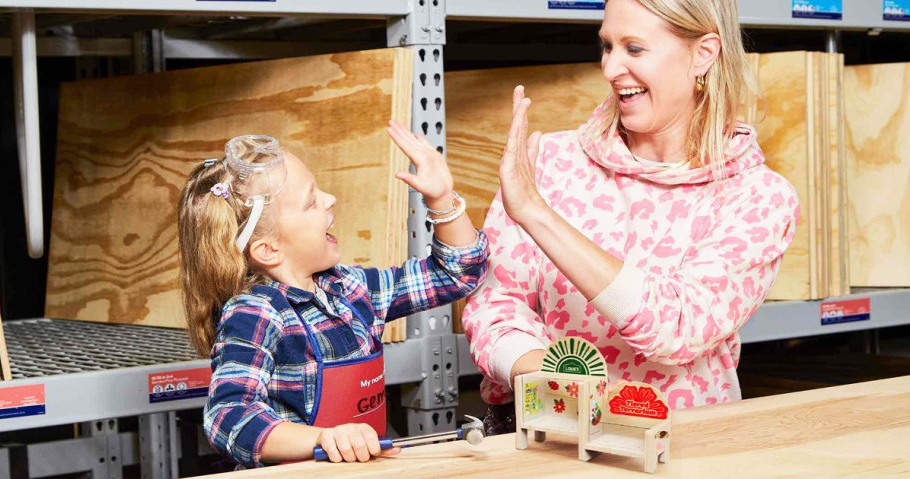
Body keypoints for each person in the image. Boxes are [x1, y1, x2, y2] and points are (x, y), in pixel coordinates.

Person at [462, 0, 799, 434]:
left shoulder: (758, 198)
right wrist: (545, 379)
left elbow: (678, 327)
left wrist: (537, 217)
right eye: (607, 46)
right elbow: (494, 304)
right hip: (547, 438)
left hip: (684, 447)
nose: (610, 67)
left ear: (704, 54)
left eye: (634, 49)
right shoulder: (549, 160)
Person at [178, 125, 488, 468]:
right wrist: (324, 438)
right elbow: (229, 419)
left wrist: (442, 200)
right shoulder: (255, 312)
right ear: (269, 250)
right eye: (312, 201)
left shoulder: (350, 289)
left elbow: (456, 274)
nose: (330, 199)